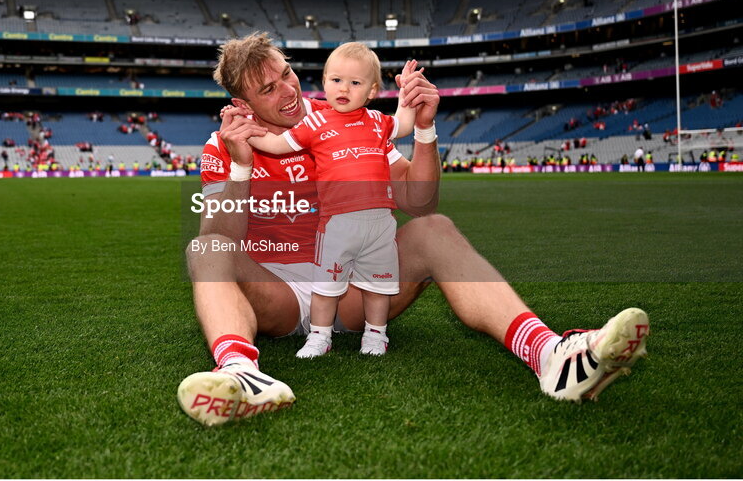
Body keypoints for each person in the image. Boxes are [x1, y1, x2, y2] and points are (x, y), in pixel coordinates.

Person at [177, 32, 650, 427]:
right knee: (204, 246)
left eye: (287, 73)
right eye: (269, 89)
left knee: (434, 229)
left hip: (352, 291)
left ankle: (550, 356)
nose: (288, 90)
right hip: (277, 291)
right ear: (243, 102)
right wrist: (241, 167)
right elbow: (222, 238)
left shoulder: (347, 114)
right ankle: (242, 374)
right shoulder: (225, 144)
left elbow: (417, 200)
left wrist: (424, 130)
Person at [240, 43, 415, 358]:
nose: (343, 88)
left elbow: (405, 122)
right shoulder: (315, 123)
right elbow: (277, 144)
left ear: (372, 91)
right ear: (324, 82)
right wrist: (246, 130)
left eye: (355, 83)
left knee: (377, 288)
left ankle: (376, 336)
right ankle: (319, 337)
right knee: (325, 286)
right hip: (336, 222)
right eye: (335, 80)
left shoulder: (378, 121)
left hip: (379, 223)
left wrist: (408, 96)